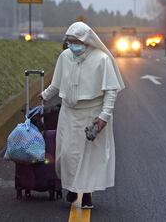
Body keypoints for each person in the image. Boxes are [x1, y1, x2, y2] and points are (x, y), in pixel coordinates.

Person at [40, 22, 125, 209]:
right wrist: (44, 96)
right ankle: (71, 187)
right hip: (68, 113)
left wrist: (104, 116)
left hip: (92, 115)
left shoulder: (101, 59)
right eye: (69, 41)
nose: (72, 45)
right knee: (66, 154)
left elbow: (111, 90)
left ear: (86, 41)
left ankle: (86, 194)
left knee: (89, 157)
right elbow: (56, 83)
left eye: (75, 41)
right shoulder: (65, 57)